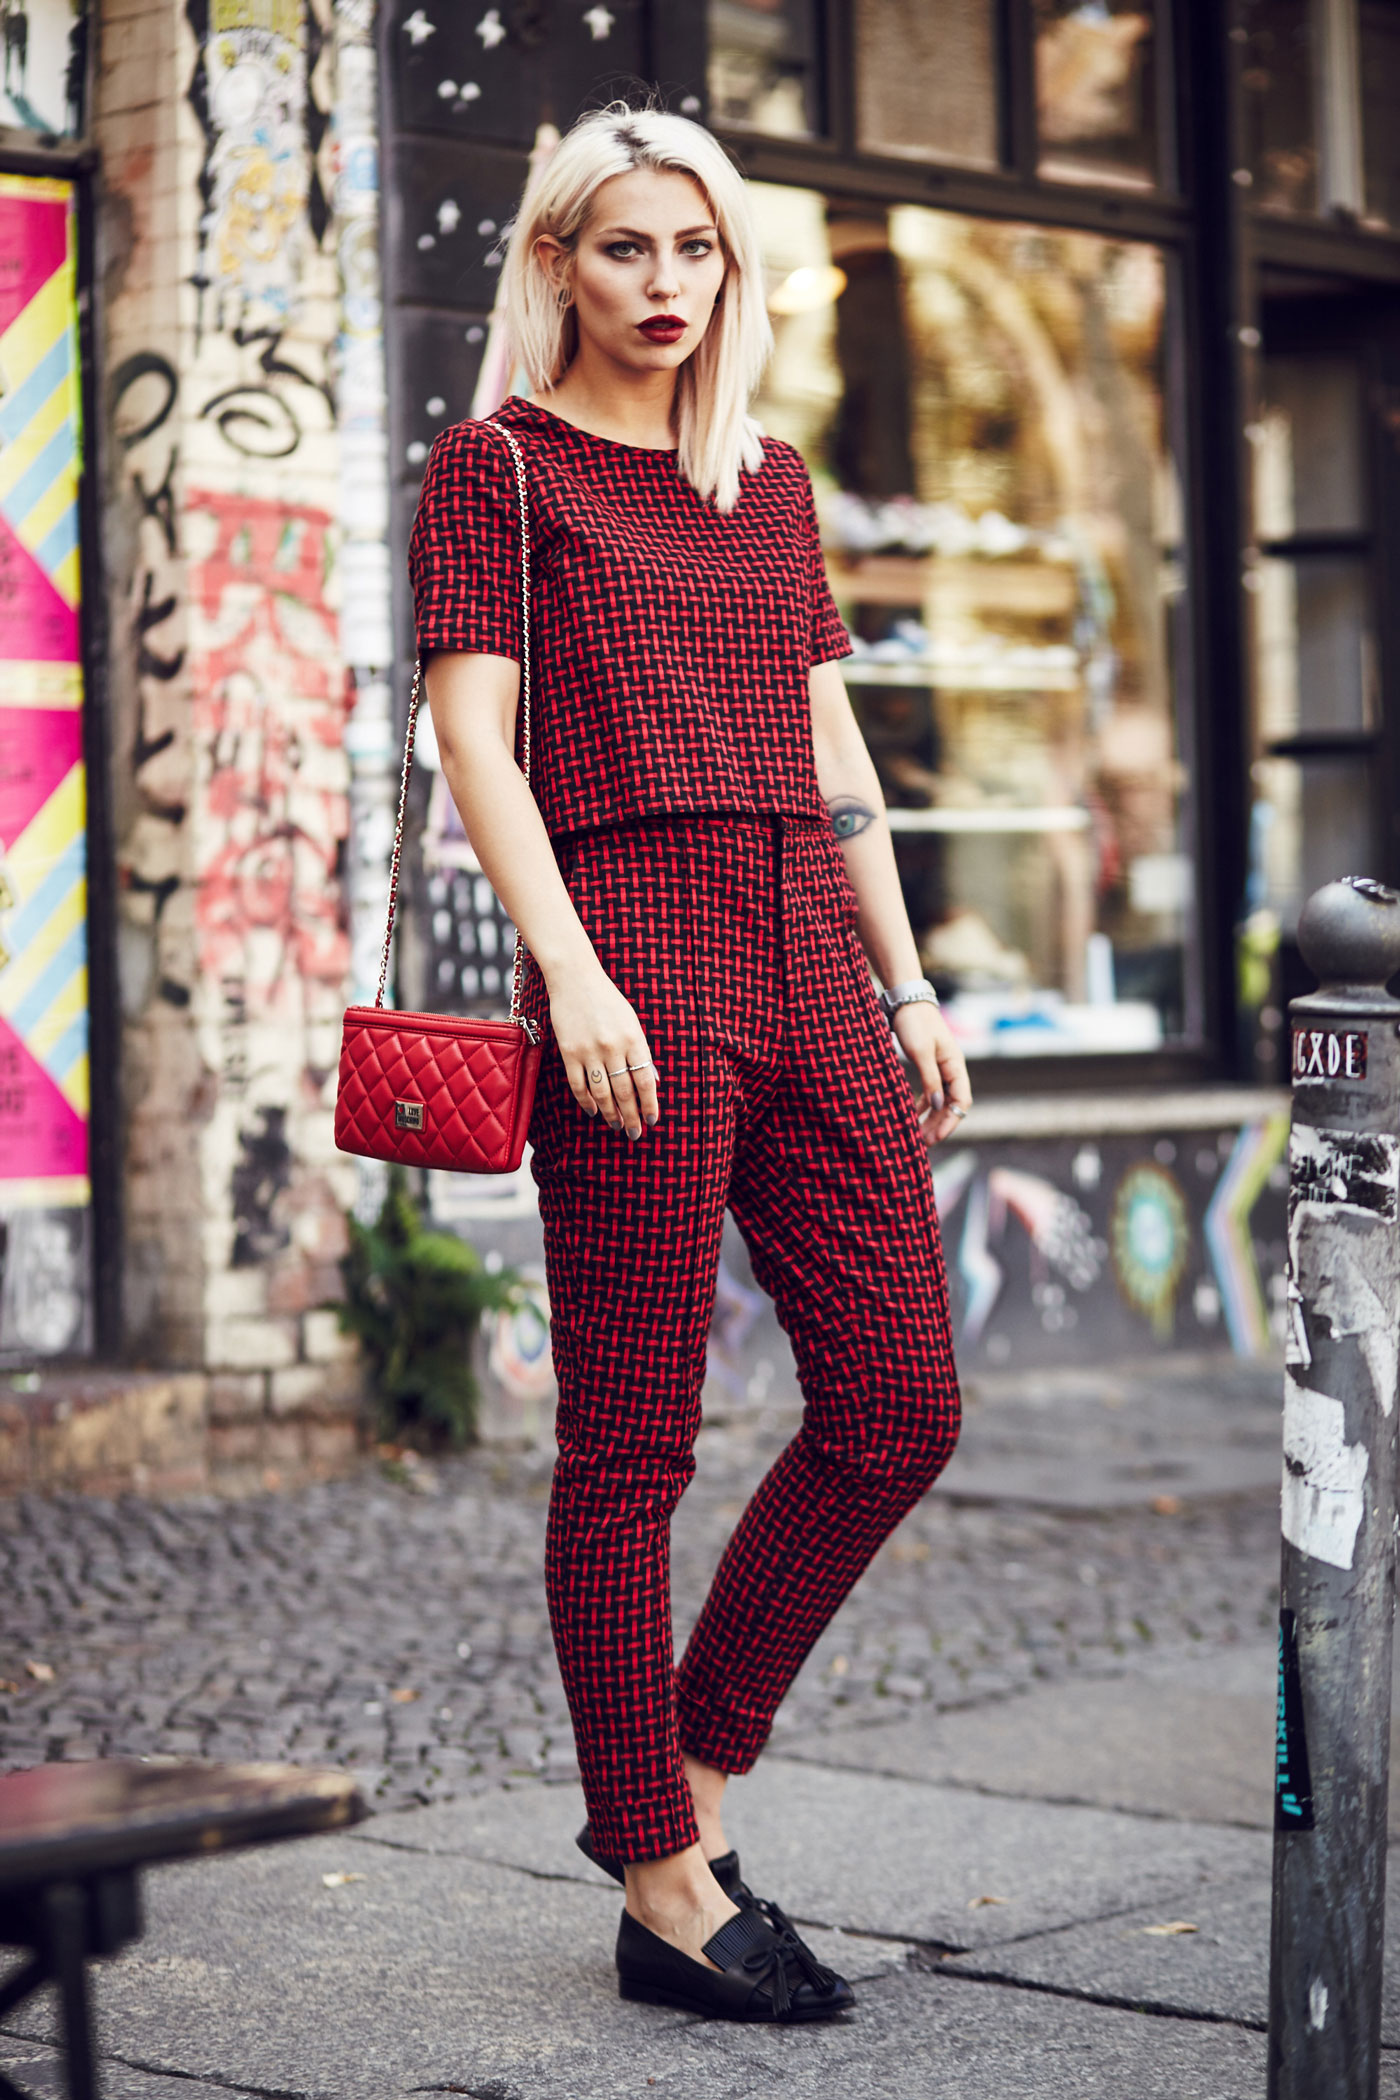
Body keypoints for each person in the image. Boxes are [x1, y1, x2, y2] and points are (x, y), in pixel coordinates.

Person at [409, 101, 970, 2025]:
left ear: (733, 266)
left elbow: (841, 764)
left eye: (696, 249)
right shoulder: (498, 468)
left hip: (811, 952)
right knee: (632, 1442)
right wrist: (570, 978)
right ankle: (660, 1877)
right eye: (627, 247)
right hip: (630, 953)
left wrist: (910, 992)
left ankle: (692, 1795)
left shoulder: (770, 478)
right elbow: (476, 745)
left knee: (900, 1401)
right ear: (555, 258)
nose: (665, 284)